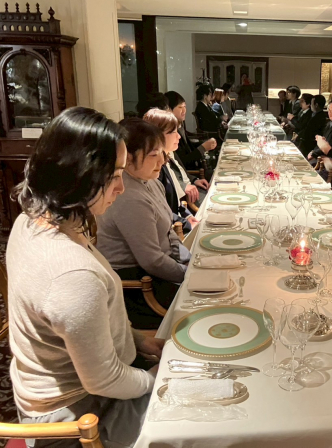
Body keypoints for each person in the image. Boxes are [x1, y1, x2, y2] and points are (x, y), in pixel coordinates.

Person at [8, 107, 160, 447]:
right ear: (80, 174)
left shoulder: (30, 221)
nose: (121, 187)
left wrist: (139, 340)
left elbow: (84, 326)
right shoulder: (72, 273)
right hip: (77, 419)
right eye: (115, 174)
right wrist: (157, 381)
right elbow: (105, 380)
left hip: (69, 394)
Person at [96, 118, 191, 330]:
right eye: (153, 155)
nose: (162, 161)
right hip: (139, 287)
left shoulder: (151, 182)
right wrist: (189, 274)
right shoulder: (129, 197)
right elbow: (152, 260)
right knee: (204, 307)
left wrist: (190, 261)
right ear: (127, 158)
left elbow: (169, 233)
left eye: (162, 153)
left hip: (160, 272)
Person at [143, 108, 209, 219]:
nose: (179, 136)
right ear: (157, 136)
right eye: (173, 132)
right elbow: (163, 212)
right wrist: (185, 220)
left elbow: (177, 205)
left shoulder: (167, 158)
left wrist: (187, 217)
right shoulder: (155, 170)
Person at [164, 90, 217, 176]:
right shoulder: (169, 131)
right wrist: (202, 148)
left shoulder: (180, 124)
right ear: (169, 109)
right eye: (180, 107)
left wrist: (205, 144)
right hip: (191, 172)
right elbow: (183, 162)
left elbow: (188, 146)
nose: (184, 110)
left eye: (184, 106)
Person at [308, 98, 332, 162]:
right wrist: (313, 151)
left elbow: (331, 145)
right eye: (328, 110)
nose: (329, 113)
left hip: (327, 158)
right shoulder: (329, 124)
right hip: (319, 154)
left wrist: (314, 153)